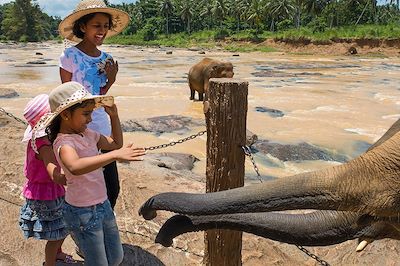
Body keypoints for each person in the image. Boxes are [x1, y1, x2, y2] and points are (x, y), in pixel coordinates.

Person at [31, 81, 145, 266]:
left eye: (91, 113)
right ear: (66, 115)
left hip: (103, 205)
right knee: (98, 262)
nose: (90, 119)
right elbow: (75, 166)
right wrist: (115, 156)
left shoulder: (89, 134)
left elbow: (115, 144)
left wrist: (114, 117)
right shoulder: (64, 142)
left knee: (116, 257)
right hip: (81, 212)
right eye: (86, 113)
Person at [58, 0, 130, 210]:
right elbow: (67, 95)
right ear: (83, 27)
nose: (102, 31)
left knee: (111, 187)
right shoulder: (69, 55)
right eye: (97, 25)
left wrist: (111, 80)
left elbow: (99, 94)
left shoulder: (106, 59)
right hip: (79, 127)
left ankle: (104, 224)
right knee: (85, 183)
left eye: (106, 26)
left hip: (101, 124)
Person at [19, 94, 75, 266]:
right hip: (45, 192)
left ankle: (57, 254)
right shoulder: (43, 143)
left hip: (50, 189)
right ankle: (50, 262)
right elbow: (55, 175)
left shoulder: (45, 138)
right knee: (56, 233)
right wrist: (77, 177)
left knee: (61, 227)